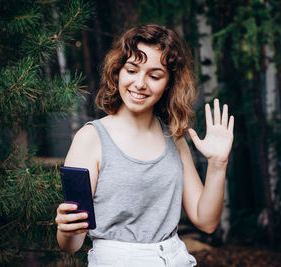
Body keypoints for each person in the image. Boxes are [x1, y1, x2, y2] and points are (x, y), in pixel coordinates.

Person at [55, 24, 234, 267]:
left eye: (154, 75)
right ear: (117, 71)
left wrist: (217, 164)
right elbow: (72, 244)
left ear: (169, 83)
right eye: (132, 69)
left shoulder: (174, 137)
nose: (140, 83)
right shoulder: (91, 138)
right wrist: (66, 230)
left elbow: (206, 221)